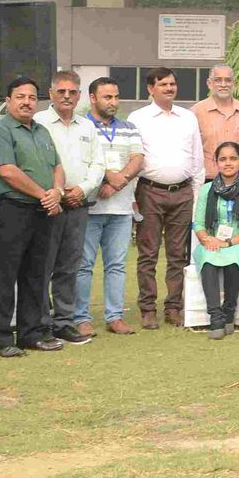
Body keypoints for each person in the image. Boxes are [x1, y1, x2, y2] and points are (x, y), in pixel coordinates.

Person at [0, 77, 68, 357]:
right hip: (11, 210)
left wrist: (56, 192)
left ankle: (31, 334)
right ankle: (3, 339)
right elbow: (7, 170)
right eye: (20, 96)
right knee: (4, 276)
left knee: (35, 276)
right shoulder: (0, 131)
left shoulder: (42, 131)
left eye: (32, 97)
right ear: (8, 101)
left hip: (42, 212)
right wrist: (44, 194)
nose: (27, 102)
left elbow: (57, 166)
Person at [127, 67, 202, 329]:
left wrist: (194, 193)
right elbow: (132, 155)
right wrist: (132, 196)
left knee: (178, 254)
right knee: (148, 253)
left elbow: (197, 158)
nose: (169, 88)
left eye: (172, 84)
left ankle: (173, 307)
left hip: (182, 193)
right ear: (150, 89)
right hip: (149, 192)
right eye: (163, 84)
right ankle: (147, 308)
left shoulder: (188, 117)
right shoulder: (138, 118)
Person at [34, 70, 103, 345]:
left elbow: (99, 164)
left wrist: (83, 189)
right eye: (61, 91)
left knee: (68, 266)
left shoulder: (87, 127)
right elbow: (36, 165)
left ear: (79, 95)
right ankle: (40, 323)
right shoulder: (38, 123)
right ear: (51, 93)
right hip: (47, 205)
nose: (66, 96)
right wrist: (58, 192)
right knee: (42, 267)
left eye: (72, 92)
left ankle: (64, 322)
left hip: (78, 204)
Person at [81, 77, 145, 336]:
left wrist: (118, 183)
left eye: (116, 97)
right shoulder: (82, 127)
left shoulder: (128, 127)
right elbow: (83, 159)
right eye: (107, 97)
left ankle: (115, 316)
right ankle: (80, 317)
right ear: (93, 98)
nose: (113, 102)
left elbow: (138, 158)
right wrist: (107, 177)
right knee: (84, 264)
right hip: (89, 208)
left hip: (120, 208)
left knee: (117, 265)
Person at [191, 140, 239, 339]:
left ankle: (229, 313)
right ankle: (216, 318)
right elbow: (198, 224)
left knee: (233, 260)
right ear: (216, 163)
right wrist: (207, 239)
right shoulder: (207, 189)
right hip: (212, 243)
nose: (228, 163)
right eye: (222, 159)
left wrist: (230, 243)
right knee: (208, 258)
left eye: (233, 158)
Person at [192, 64, 239, 179]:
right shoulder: (196, 112)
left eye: (228, 80)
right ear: (209, 83)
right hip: (207, 180)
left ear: (234, 83)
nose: (223, 85)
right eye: (218, 80)